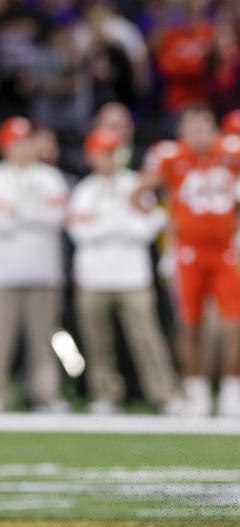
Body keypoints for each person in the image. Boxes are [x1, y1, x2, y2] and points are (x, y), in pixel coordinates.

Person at [132, 105, 240, 416]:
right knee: (190, 324)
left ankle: (232, 391)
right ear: (181, 132)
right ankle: (197, 390)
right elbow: (138, 194)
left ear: (215, 130)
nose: (199, 135)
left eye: (205, 127)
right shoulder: (169, 156)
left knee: (235, 322)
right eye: (193, 128)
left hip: (224, 251)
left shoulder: (230, 152)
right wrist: (164, 218)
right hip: (188, 253)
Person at [67, 128, 180, 414]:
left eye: (113, 152)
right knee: (97, 341)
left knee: (147, 338)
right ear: (91, 156)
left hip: (133, 276)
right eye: (103, 153)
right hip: (93, 278)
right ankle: (106, 394)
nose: (109, 158)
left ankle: (164, 393)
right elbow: (80, 233)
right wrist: (120, 224)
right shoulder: (85, 190)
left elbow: (150, 227)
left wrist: (106, 225)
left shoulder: (136, 185)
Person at [0, 117, 68, 412]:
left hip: (44, 271)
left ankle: (46, 394)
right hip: (2, 273)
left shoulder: (51, 177)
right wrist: (33, 215)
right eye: (18, 143)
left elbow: (56, 219)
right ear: (5, 147)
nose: (25, 148)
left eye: (28, 141)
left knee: (45, 339)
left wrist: (17, 213)